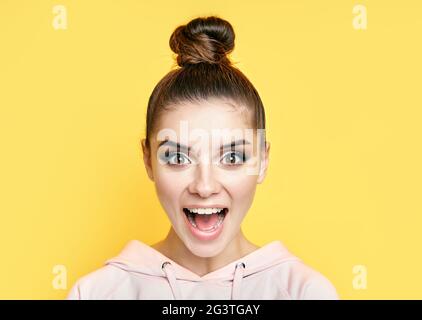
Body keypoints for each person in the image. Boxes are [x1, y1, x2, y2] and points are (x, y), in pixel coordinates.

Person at [67, 15, 339, 300]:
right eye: (178, 157)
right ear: (148, 160)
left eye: (232, 157)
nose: (204, 186)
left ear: (262, 160)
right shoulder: (96, 294)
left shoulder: (304, 293)